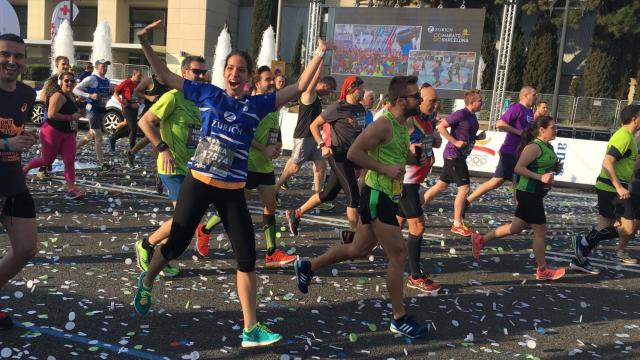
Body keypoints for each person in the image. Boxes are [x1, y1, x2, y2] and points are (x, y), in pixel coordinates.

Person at [132, 20, 330, 347]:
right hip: (199, 182)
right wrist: (145, 44)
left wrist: (320, 53)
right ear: (224, 73)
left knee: (247, 257)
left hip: (232, 192)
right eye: (230, 68)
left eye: (241, 69)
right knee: (176, 245)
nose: (234, 73)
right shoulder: (208, 94)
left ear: (250, 77)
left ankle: (251, 329)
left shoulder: (257, 105)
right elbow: (166, 77)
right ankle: (149, 277)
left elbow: (299, 87)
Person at [294, 75, 430, 339]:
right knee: (398, 256)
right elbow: (354, 153)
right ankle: (398, 318)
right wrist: (385, 169)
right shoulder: (383, 124)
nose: (421, 101)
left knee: (359, 248)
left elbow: (401, 155)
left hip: (387, 195)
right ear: (402, 100)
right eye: (417, 97)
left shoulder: (403, 124)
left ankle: (307, 267)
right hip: (377, 195)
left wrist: (416, 156)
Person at [195, 66, 297, 267]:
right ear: (257, 83)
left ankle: (271, 252)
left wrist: (277, 145)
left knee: (271, 205)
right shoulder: (249, 105)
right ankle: (205, 229)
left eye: (271, 79)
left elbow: (275, 129)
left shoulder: (272, 105)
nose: (271, 82)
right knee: (237, 204)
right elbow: (240, 133)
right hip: (247, 163)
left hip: (265, 166)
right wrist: (263, 149)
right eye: (267, 79)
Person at [134, 55, 210, 278]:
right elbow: (144, 122)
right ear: (184, 73)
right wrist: (162, 147)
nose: (200, 76)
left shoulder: (201, 100)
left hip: (193, 168)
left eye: (203, 72)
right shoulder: (173, 97)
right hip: (172, 167)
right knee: (182, 219)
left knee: (188, 220)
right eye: (196, 72)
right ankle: (146, 246)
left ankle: (161, 256)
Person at [472, 116, 566, 281]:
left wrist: (555, 168)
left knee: (515, 228)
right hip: (528, 193)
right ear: (542, 129)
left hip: (535, 193)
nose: (555, 129)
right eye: (553, 127)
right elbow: (519, 168)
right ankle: (542, 270)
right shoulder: (534, 147)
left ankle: (481, 239)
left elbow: (543, 166)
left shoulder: (548, 146)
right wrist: (540, 177)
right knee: (540, 230)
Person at [285, 76, 366, 236]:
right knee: (353, 197)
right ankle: (354, 238)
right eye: (360, 88)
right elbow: (314, 125)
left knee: (329, 194)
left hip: (351, 156)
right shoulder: (337, 107)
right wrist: (322, 145)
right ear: (351, 89)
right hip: (337, 154)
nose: (363, 91)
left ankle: (296, 213)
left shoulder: (360, 109)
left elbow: (359, 133)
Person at [0, 33, 39, 330]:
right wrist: (6, 145)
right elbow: (7, 141)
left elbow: (15, 132)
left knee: (26, 248)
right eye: (4, 54)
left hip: (12, 182)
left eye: (18, 56)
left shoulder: (27, 94)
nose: (11, 61)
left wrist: (24, 139)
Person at [573, 105, 640, 272]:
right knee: (628, 228)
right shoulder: (624, 136)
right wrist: (618, 187)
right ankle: (584, 242)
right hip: (612, 187)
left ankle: (579, 258)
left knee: (606, 223)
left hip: (611, 185)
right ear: (635, 117)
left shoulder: (629, 136)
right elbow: (607, 161)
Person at [397, 83, 442, 293]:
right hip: (406, 181)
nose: (436, 104)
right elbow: (393, 143)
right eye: (432, 101)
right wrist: (408, 148)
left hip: (414, 181)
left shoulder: (429, 119)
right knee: (418, 227)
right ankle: (415, 276)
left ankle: (358, 244)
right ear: (419, 101)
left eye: (436, 100)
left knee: (395, 222)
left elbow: (432, 142)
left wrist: (434, 139)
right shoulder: (407, 120)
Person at [422, 89, 485, 237]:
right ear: (472, 102)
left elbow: (466, 134)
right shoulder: (461, 113)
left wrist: (477, 137)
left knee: (441, 186)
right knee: (464, 189)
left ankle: (418, 206)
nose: (482, 103)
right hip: (453, 155)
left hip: (459, 156)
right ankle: (457, 224)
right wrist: (455, 141)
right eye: (480, 101)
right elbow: (441, 126)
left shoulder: (472, 116)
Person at [465, 86, 537, 213]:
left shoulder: (530, 112)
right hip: (511, 152)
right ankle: (522, 216)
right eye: (534, 95)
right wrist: (519, 133)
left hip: (521, 153)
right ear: (526, 95)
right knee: (515, 184)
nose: (536, 97)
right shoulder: (516, 108)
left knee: (501, 182)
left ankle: (468, 200)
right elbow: (500, 123)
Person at [274, 71, 336, 208]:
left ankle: (317, 199)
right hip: (303, 137)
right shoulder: (309, 94)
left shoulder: (318, 99)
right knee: (294, 168)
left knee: (321, 168)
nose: (329, 94)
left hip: (314, 138)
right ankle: (274, 190)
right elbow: (314, 77)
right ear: (324, 85)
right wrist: (320, 54)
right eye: (330, 90)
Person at [23, 72, 84, 199]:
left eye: (72, 81)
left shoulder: (71, 95)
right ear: (60, 82)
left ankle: (71, 188)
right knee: (47, 160)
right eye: (67, 81)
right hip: (52, 132)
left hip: (68, 134)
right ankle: (26, 168)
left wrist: (80, 111)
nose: (70, 83)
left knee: (69, 160)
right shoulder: (58, 96)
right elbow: (51, 114)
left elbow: (72, 111)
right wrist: (71, 117)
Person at [74, 59, 113, 171]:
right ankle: (102, 163)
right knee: (99, 137)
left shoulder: (106, 80)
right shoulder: (91, 78)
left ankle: (72, 150)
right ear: (96, 67)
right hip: (91, 110)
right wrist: (89, 95)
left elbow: (105, 94)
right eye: (103, 66)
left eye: (106, 66)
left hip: (101, 110)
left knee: (90, 135)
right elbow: (76, 89)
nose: (105, 68)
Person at [36, 55, 70, 179]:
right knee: (51, 146)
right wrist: (54, 103)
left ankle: (47, 165)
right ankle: (42, 168)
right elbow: (42, 97)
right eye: (63, 64)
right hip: (52, 117)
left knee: (62, 145)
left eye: (67, 64)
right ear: (57, 66)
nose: (66, 66)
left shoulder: (69, 79)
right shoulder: (52, 80)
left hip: (65, 117)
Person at [109, 70, 142, 165]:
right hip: (126, 107)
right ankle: (132, 151)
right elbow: (115, 92)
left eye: (141, 77)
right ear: (134, 75)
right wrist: (121, 100)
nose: (140, 78)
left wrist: (138, 103)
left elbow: (142, 96)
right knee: (133, 128)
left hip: (134, 107)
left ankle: (113, 137)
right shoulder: (126, 82)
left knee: (129, 128)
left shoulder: (139, 84)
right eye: (138, 76)